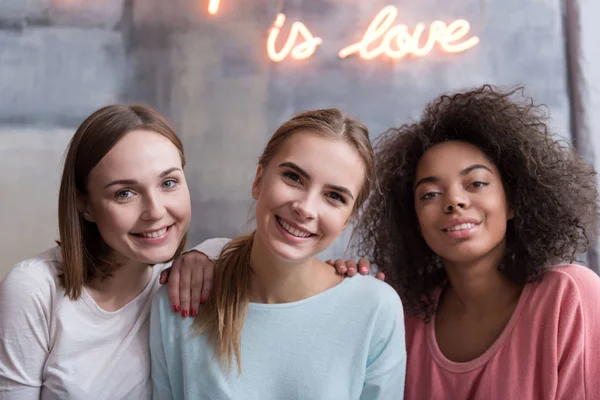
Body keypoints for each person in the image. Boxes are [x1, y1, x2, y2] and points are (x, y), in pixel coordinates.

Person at [347, 85, 600, 398]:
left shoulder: (568, 296)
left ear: (513, 201)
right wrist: (340, 295)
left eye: (476, 183)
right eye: (430, 194)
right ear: (413, 219)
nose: (454, 201)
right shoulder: (404, 317)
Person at [150, 108, 407, 399]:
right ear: (258, 180)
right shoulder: (180, 300)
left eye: (334, 196)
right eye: (293, 177)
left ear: (347, 219)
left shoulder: (375, 310)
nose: (306, 208)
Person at [0, 105, 226, 399]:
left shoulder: (185, 284)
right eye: (125, 193)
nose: (155, 211)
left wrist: (210, 251)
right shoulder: (34, 289)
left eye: (168, 183)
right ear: (85, 206)